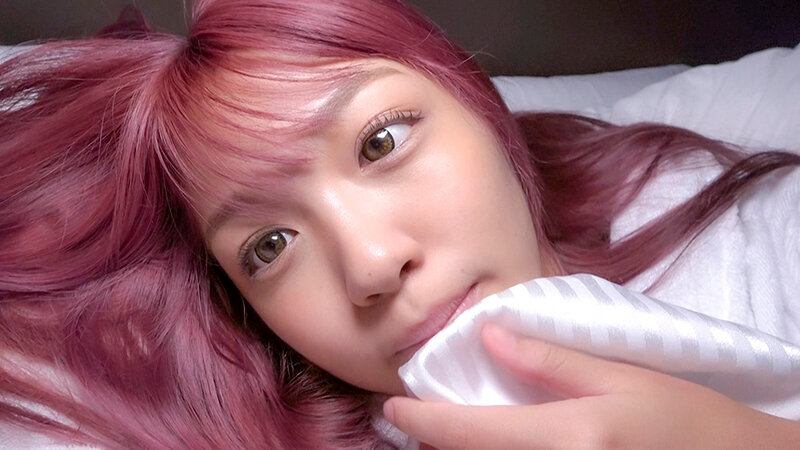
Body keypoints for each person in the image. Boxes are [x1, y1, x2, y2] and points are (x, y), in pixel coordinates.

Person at [1, 0, 798, 448]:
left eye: (380, 143)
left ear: (476, 104)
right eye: (268, 246)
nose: (372, 265)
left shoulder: (756, 233)